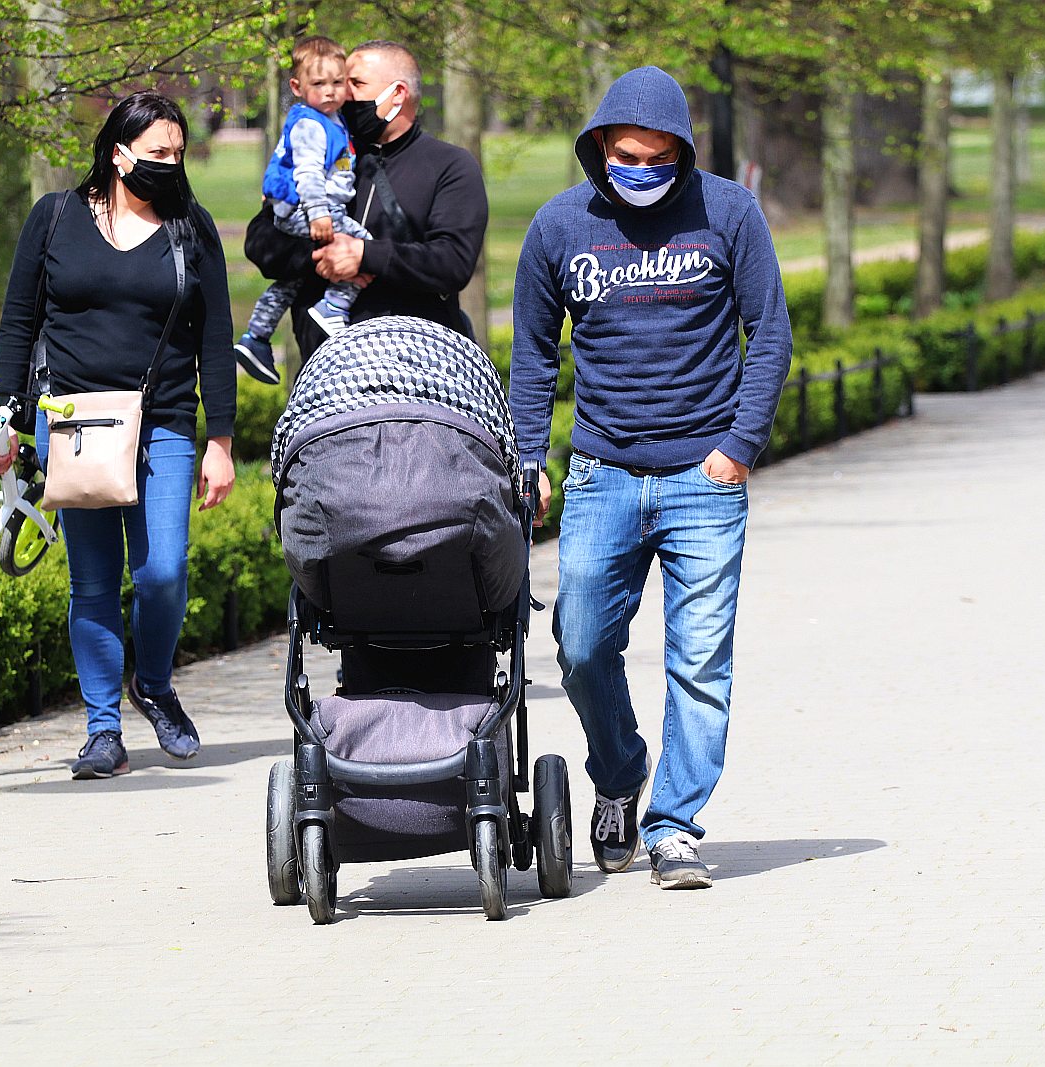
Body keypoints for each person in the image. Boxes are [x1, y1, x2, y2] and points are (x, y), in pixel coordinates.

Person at [508, 66, 792, 888]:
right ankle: (621, 770)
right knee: (581, 643)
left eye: (660, 157)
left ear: (684, 153)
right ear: (599, 147)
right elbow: (532, 352)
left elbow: (767, 332)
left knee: (700, 661)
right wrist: (532, 456)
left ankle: (674, 827)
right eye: (628, 154)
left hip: (705, 475)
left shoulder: (729, 212)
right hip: (602, 472)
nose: (642, 169)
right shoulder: (560, 225)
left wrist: (739, 445)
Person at [0, 91, 237, 780]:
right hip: (74, 423)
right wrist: (5, 416)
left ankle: (152, 682)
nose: (169, 164)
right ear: (117, 151)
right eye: (157, 152)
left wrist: (221, 439)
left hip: (161, 423)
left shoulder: (193, 228)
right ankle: (102, 730)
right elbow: (17, 321)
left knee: (163, 572)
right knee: (92, 582)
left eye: (177, 154)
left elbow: (215, 336)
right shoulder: (55, 218)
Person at [243, 39, 488, 362]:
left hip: (416, 367)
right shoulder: (324, 152)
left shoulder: (450, 165)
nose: (343, 94)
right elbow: (260, 243)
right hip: (323, 369)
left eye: (354, 83)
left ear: (397, 94)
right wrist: (319, 253)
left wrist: (365, 255)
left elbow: (452, 263)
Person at [234, 36, 371, 386]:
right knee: (368, 247)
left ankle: (256, 337)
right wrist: (319, 214)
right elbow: (308, 174)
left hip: (303, 208)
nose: (330, 91)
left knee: (292, 280)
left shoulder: (330, 118)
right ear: (297, 86)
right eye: (319, 84)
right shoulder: (311, 124)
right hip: (308, 208)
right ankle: (335, 306)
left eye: (338, 83)